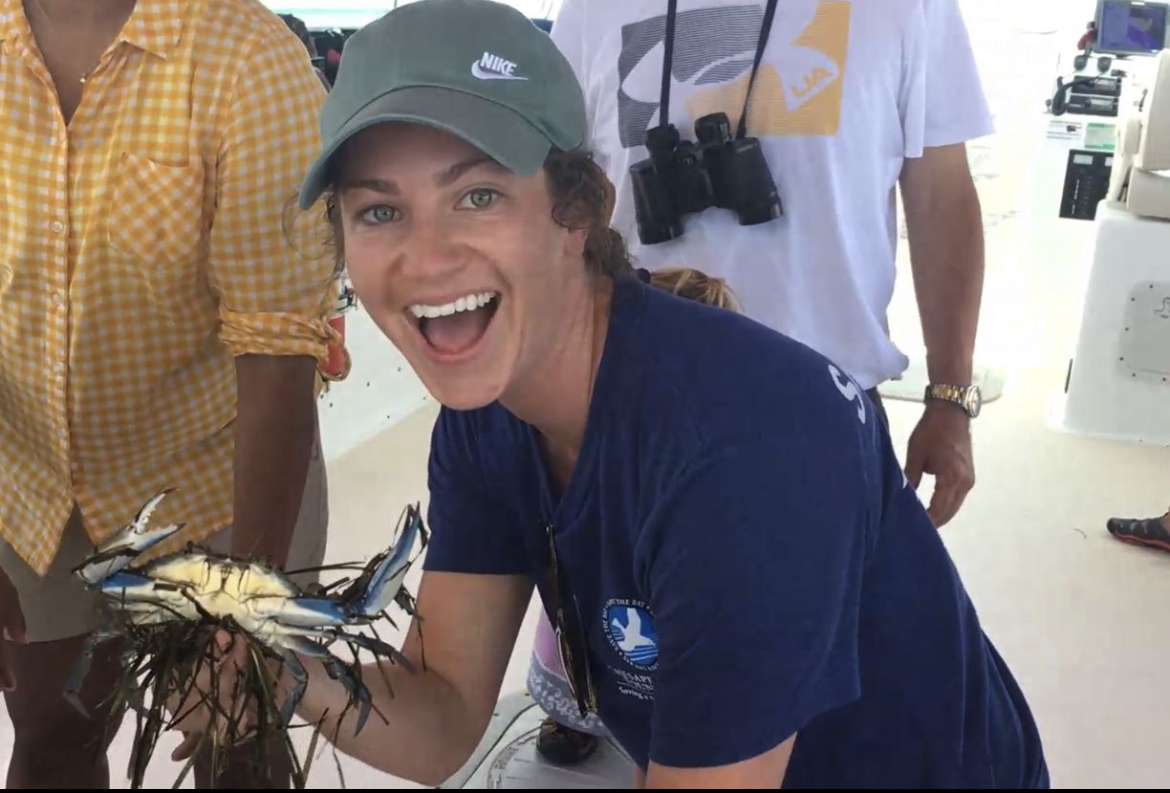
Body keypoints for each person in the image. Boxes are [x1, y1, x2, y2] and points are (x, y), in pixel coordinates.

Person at [180, 0, 1047, 787]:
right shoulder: (490, 417)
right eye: (378, 212)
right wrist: (277, 665)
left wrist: (948, 391)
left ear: (578, 212)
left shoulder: (745, 456)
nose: (426, 257)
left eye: (476, 195)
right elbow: (439, 716)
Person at [532, 0, 995, 761]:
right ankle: (584, 697)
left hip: (820, 418)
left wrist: (951, 394)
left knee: (831, 701)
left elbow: (942, 194)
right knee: (633, 655)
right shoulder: (589, 9)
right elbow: (555, 193)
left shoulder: (910, 8)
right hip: (621, 405)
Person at [0, 0, 341, 787]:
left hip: (218, 487)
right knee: (52, 732)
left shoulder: (249, 57)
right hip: (28, 486)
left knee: (236, 739)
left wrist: (249, 601)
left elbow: (277, 353)